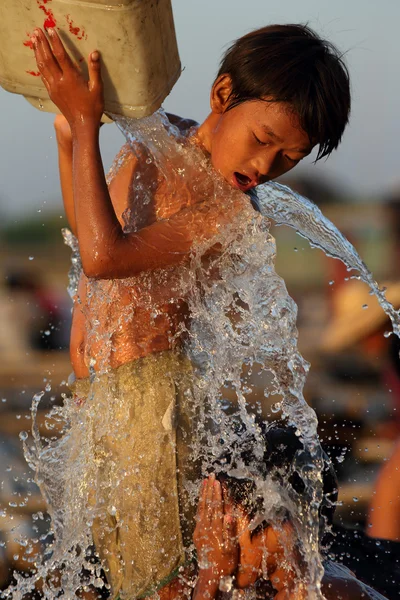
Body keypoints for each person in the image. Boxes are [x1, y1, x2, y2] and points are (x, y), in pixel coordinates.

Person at [30, 23, 351, 598]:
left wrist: (84, 123)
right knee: (109, 576)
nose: (266, 165)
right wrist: (69, 141)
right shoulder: (160, 138)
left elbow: (105, 259)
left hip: (150, 412)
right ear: (222, 96)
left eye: (288, 157)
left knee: (153, 585)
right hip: (103, 402)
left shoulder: (229, 212)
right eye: (262, 138)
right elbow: (93, 234)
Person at [191, 426, 389, 600]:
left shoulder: (309, 594)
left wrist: (209, 576)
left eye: (219, 520)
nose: (210, 540)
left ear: (277, 520)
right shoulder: (325, 577)